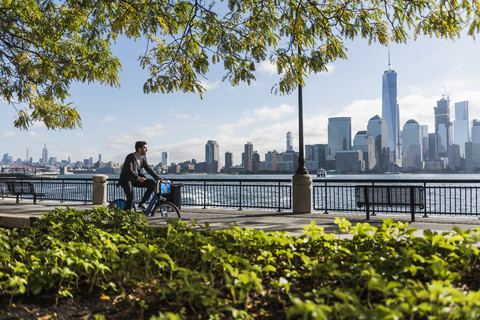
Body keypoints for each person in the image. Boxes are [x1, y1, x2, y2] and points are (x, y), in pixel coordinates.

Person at [118, 141, 160, 210]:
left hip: (135, 179)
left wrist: (157, 177)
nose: (147, 149)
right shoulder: (130, 157)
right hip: (127, 179)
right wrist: (138, 178)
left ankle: (142, 203)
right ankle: (126, 216)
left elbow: (148, 169)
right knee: (130, 199)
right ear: (139, 149)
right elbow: (129, 170)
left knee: (152, 183)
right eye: (145, 148)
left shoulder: (143, 158)